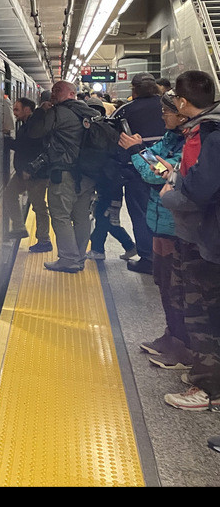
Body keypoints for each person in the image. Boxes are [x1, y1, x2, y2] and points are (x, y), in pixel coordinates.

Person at [157, 71, 220, 410]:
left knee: (205, 313)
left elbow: (198, 189)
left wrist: (171, 190)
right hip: (207, 232)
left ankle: (208, 388)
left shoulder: (210, 133)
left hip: (208, 235)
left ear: (183, 101)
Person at [119, 90, 188, 367]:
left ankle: (183, 347)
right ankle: (171, 335)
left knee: (177, 286)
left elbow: (154, 171)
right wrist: (145, 154)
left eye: (166, 112)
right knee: (163, 281)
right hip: (160, 219)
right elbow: (155, 161)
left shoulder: (191, 142)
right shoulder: (171, 137)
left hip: (176, 222)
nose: (162, 116)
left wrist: (137, 150)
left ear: (181, 112)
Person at [25, 80, 98, 272]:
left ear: (71, 94)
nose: (53, 93)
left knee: (60, 216)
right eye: (53, 90)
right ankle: (80, 257)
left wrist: (41, 110)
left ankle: (68, 259)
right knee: (82, 217)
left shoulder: (58, 112)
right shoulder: (89, 113)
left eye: (58, 90)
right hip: (87, 174)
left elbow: (34, 132)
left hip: (64, 174)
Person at [113, 72, 166, 273]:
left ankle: (148, 257)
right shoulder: (169, 108)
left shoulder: (125, 111)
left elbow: (116, 143)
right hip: (166, 172)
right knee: (165, 213)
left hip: (137, 172)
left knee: (141, 214)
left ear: (133, 90)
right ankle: (164, 257)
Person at [4, 97, 52, 251]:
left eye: (17, 109)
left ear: (27, 109)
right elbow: (22, 146)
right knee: (9, 194)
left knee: (39, 207)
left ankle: (44, 241)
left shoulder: (34, 125)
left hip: (36, 174)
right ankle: (19, 227)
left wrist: (6, 140)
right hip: (23, 172)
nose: (15, 113)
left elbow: (28, 147)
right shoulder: (25, 125)